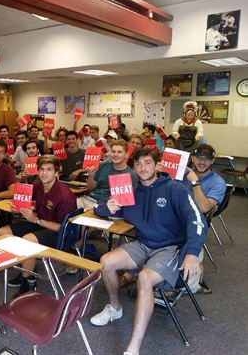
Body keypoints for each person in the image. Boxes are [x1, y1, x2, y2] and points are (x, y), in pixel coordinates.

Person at [90, 148, 206, 355]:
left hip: (170, 248)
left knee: (144, 278)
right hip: (143, 245)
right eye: (139, 164)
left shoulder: (175, 189)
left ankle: (133, 348)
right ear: (133, 167)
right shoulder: (131, 192)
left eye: (148, 163)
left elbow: (198, 220)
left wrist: (192, 252)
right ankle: (115, 308)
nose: (143, 168)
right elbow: (102, 209)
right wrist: (107, 206)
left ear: (157, 165)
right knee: (106, 261)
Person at [0, 155, 77, 295]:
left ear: (57, 173)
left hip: (57, 232)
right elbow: (26, 198)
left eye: (49, 169)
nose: (44, 173)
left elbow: (64, 228)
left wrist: (37, 221)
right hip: (39, 222)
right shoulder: (38, 185)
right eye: (41, 169)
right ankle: (28, 267)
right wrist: (19, 206)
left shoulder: (65, 196)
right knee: (1, 233)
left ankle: (27, 280)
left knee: (27, 241)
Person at [181, 144, 225, 294]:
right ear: (192, 158)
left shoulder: (218, 182)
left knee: (189, 288)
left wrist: (195, 182)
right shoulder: (182, 173)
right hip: (174, 218)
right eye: (199, 158)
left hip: (195, 224)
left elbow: (204, 207)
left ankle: (193, 280)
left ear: (212, 161)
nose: (202, 162)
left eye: (206, 159)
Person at [81, 140, 137, 207]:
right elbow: (90, 188)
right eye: (113, 151)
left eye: (119, 152)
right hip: (90, 199)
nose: (115, 154)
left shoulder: (131, 175)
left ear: (126, 155)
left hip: (109, 205)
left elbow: (127, 202)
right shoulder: (102, 166)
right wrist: (91, 176)